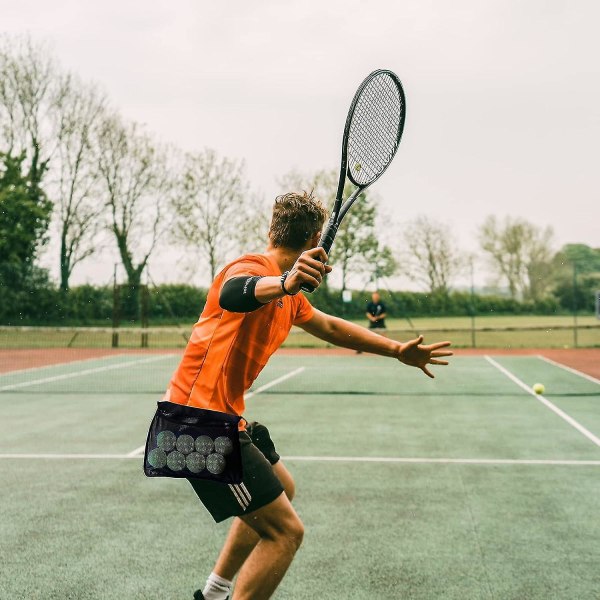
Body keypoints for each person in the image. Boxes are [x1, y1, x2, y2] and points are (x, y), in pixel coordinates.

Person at [164, 191, 453, 600]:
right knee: (286, 534)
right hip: (196, 425)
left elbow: (333, 328)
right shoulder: (253, 269)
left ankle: (213, 593)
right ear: (316, 237)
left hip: (215, 418)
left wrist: (396, 350)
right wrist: (283, 281)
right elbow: (235, 292)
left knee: (283, 488)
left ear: (272, 229)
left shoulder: (290, 299)